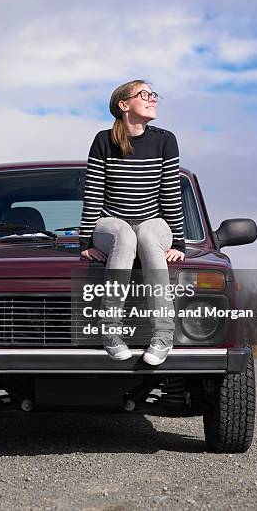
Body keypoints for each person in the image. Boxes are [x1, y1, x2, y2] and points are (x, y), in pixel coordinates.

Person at [78, 79, 186, 365]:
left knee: (148, 233)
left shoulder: (166, 140)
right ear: (124, 105)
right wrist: (86, 242)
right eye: (144, 94)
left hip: (154, 221)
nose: (153, 99)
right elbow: (93, 193)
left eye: (154, 94)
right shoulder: (104, 140)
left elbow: (170, 194)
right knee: (124, 234)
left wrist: (179, 242)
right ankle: (111, 331)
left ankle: (163, 334)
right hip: (110, 223)